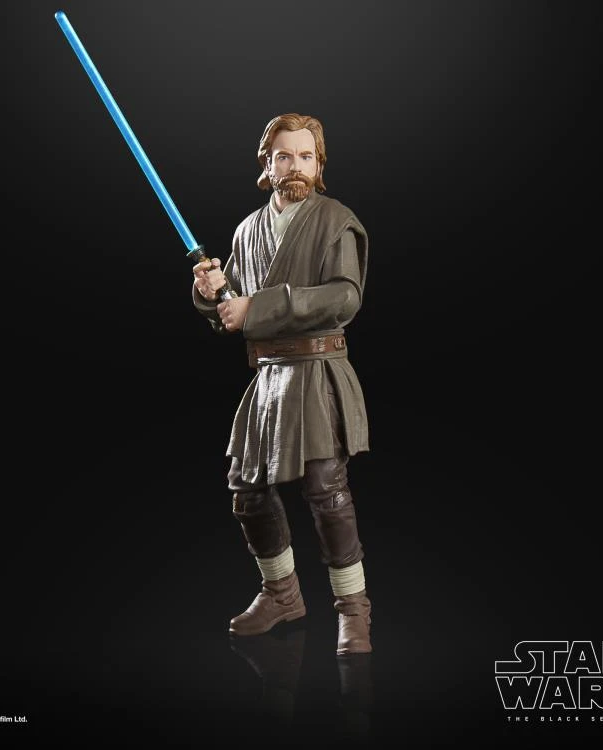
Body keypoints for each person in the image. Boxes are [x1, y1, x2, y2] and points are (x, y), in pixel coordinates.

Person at [192, 113, 372, 655]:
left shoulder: (336, 219)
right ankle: (282, 594)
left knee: (327, 491)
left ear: (319, 164)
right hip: (269, 376)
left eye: (306, 156)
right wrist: (212, 294)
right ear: (266, 165)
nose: (295, 166)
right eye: (284, 156)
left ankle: (353, 610)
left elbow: (344, 297)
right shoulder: (247, 230)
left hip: (317, 372)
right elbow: (235, 312)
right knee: (247, 490)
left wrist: (258, 306)